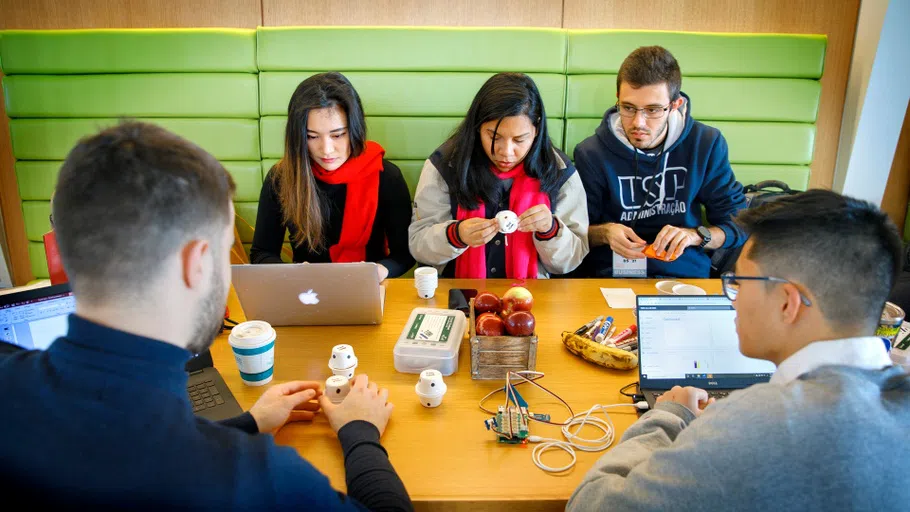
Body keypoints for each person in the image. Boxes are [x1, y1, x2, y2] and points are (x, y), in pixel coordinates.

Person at [0, 122, 412, 510]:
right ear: (196, 264)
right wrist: (360, 432)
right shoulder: (257, 478)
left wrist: (248, 423)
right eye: (223, 248)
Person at [567, 190, 910, 510]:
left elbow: (592, 504)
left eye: (739, 282)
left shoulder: (757, 426)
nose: (732, 299)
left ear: (787, 303)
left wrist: (668, 417)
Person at [574, 46, 747, 278]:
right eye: (628, 108)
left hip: (684, 274)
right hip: (610, 274)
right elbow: (574, 232)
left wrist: (695, 235)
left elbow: (739, 223)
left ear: (675, 105)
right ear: (618, 99)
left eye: (653, 110)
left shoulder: (705, 144)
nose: (638, 122)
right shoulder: (591, 153)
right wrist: (605, 233)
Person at [408, 72, 588, 278]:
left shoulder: (558, 171)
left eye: (520, 140)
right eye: (494, 137)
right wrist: (456, 235)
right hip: (459, 297)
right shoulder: (445, 165)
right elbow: (418, 246)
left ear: (536, 129)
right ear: (477, 127)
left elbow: (572, 260)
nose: (506, 152)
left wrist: (550, 229)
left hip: (532, 298)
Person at [251, 72, 415, 281]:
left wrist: (380, 270)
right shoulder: (281, 177)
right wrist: (292, 274)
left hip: (368, 287)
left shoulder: (386, 176)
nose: (326, 149)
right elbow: (261, 253)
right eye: (311, 137)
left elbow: (405, 254)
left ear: (355, 129)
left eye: (338, 135)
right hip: (306, 289)